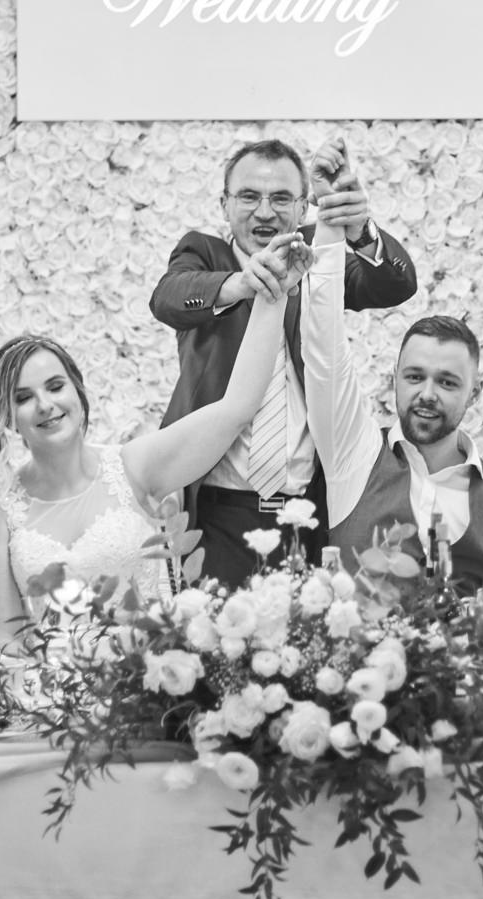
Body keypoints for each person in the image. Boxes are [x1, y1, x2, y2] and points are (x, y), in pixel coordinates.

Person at [0, 236, 313, 648]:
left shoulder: (133, 467)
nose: (45, 405)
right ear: (8, 416)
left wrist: (273, 295)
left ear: (78, 392)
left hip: (146, 677)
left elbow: (237, 407)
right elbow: (4, 639)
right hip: (50, 684)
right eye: (23, 397)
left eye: (55, 386)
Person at [150, 137, 417, 586]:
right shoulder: (203, 254)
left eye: (280, 198)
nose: (264, 212)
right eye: (248, 197)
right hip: (217, 517)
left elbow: (395, 284)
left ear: (302, 207)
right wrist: (241, 283)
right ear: (224, 204)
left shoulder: (314, 259)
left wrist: (357, 228)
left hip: (308, 518)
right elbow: (168, 297)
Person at [301, 173, 483, 594]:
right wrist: (334, 225)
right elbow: (324, 351)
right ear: (395, 379)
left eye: (447, 382)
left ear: (475, 393)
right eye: (414, 377)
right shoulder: (354, 455)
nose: (427, 394)